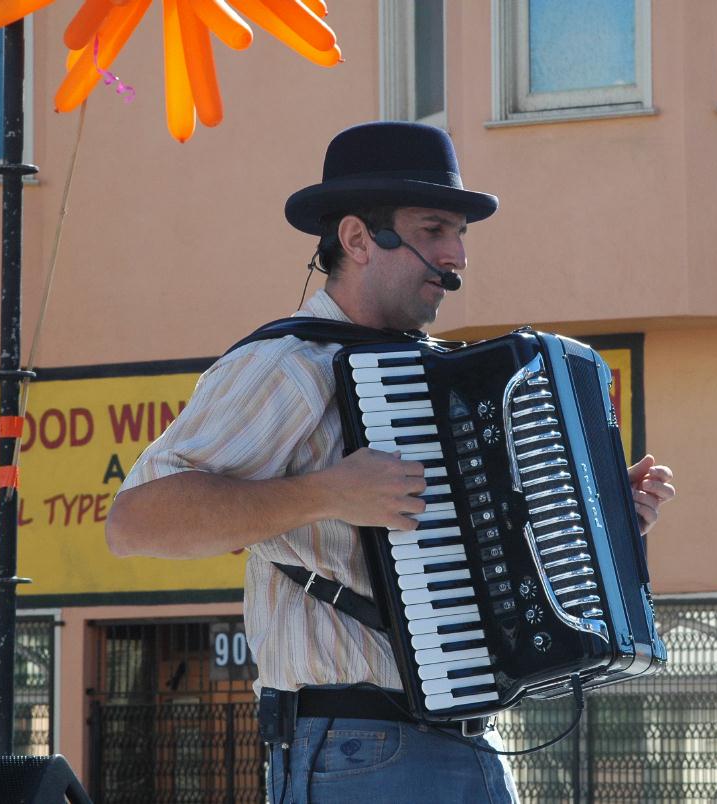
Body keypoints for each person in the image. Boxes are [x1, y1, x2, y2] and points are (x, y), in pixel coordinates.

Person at [106, 121, 675, 803]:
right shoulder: (287, 367)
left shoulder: (443, 379)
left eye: (460, 234)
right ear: (355, 239)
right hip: (356, 746)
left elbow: (492, 564)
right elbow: (136, 521)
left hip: (473, 739)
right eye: (434, 230)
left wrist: (600, 532)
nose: (456, 255)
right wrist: (326, 494)